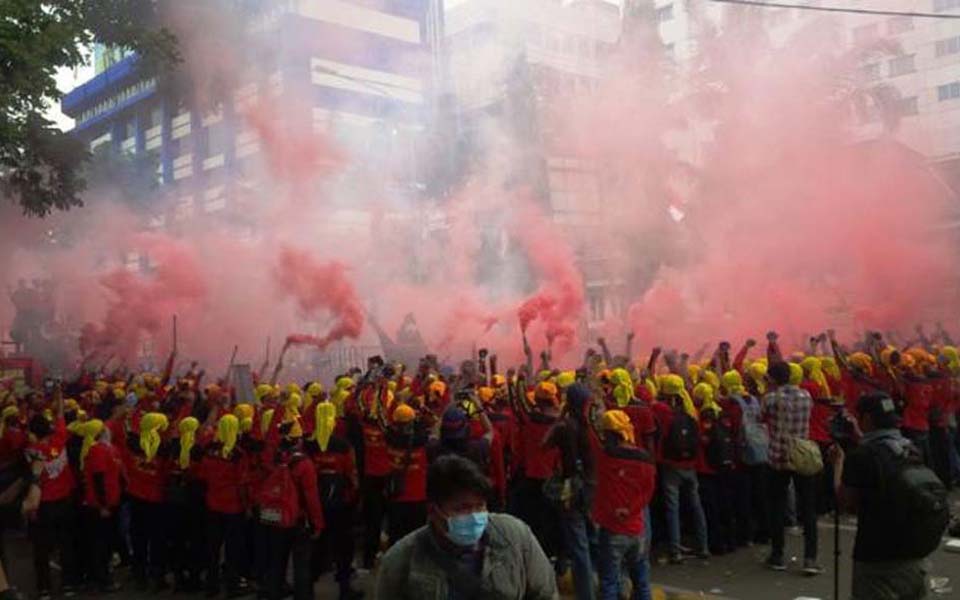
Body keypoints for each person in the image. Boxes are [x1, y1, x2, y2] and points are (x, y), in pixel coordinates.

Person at [375, 454, 558, 599]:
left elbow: (545, 593)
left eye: (480, 506)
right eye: (462, 508)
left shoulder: (515, 537)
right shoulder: (401, 562)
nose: (474, 516)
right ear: (433, 510)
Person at [831, 392, 949, 600]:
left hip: (877, 560)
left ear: (866, 419)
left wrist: (839, 463)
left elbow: (844, 501)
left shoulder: (861, 457)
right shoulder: (912, 448)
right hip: (915, 558)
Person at [585, 391, 656, 600]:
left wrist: (591, 401)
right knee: (642, 582)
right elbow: (648, 492)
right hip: (638, 529)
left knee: (609, 583)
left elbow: (589, 427)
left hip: (613, 529)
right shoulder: (646, 460)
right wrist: (631, 510)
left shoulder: (604, 457)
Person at [763, 360, 821, 575]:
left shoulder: (770, 398)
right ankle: (810, 559)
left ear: (773, 379)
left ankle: (778, 555)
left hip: (778, 457)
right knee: (808, 508)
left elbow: (761, 417)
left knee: (776, 507)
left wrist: (769, 389)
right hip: (803, 456)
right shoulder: (806, 396)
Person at [23, 384, 81, 599]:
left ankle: (44, 588)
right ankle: (68, 585)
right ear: (49, 429)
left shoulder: (31, 451)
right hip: (64, 502)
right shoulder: (60, 439)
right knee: (66, 545)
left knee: (41, 549)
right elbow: (59, 415)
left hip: (42, 506)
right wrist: (59, 396)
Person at [543, 383, 595, 600]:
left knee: (579, 546)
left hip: (571, 490)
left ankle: (587, 595)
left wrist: (560, 417)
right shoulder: (592, 425)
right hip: (593, 488)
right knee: (598, 541)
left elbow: (543, 444)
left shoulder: (564, 426)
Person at [651, 374, 709, 563]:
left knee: (672, 508)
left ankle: (675, 550)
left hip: (670, 465)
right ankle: (703, 546)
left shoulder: (662, 411)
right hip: (690, 465)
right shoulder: (690, 412)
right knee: (696, 505)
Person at [77, 418, 122, 594]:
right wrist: (103, 505)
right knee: (101, 545)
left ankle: (101, 577)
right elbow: (98, 479)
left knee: (105, 544)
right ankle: (102, 580)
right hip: (101, 506)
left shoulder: (105, 449)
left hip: (109, 503)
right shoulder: (97, 451)